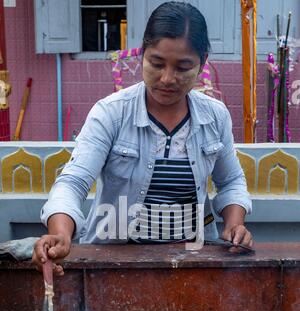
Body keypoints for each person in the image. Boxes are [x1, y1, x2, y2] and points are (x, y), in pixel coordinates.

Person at [32, 1, 252, 276]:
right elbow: (73, 182)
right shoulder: (111, 113)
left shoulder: (214, 117)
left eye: (183, 67)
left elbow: (230, 181)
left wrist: (234, 222)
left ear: (202, 63)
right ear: (141, 55)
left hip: (192, 261)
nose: (168, 78)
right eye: (156, 64)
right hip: (114, 262)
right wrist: (62, 234)